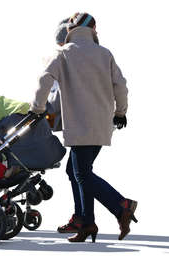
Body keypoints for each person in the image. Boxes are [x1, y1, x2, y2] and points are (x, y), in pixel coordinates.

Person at [30, 12, 138, 242]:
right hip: (102, 125)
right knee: (76, 171)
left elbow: (44, 80)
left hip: (80, 124)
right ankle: (86, 222)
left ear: (70, 30)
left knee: (82, 174)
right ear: (92, 31)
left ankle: (121, 205)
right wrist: (121, 112)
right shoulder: (105, 53)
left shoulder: (64, 54)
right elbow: (121, 86)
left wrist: (37, 109)